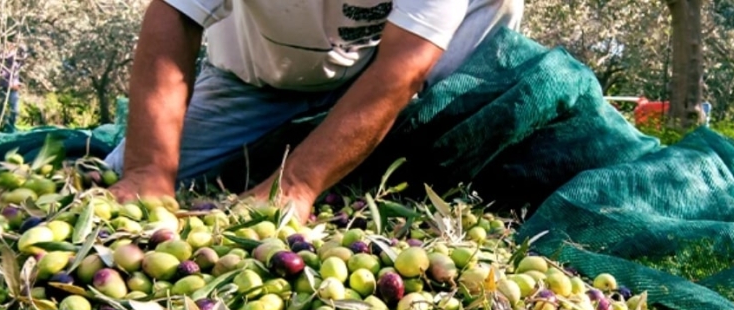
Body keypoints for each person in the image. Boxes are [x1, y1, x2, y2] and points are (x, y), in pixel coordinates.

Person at [107, 0, 524, 221]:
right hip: (257, 82)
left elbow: (404, 67)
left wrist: (297, 184)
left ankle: (399, 138)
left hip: (370, 72)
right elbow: (174, 14)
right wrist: (148, 170)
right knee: (122, 168)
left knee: (429, 154)